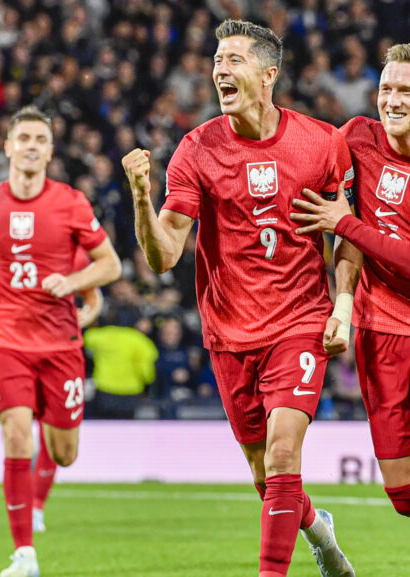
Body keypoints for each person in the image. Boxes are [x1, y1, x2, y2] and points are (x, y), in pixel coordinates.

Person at [121, 20, 354, 577]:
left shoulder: (322, 142)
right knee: (264, 473)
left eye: (234, 60)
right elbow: (164, 256)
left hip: (299, 322)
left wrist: (342, 305)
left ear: (269, 74)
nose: (219, 70)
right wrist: (140, 199)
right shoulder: (197, 149)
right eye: (217, 60)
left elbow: (346, 233)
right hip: (229, 331)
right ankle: (321, 533)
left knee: (281, 455)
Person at [290, 43, 410, 577]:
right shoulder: (356, 137)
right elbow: (339, 214)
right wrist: (344, 300)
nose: (392, 101)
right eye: (386, 90)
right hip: (382, 332)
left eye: (406, 91)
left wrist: (344, 223)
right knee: (407, 496)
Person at [0, 105, 121, 577]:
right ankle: (24, 555)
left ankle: (46, 450)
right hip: (3, 338)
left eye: (40, 139)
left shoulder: (71, 203)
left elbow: (111, 266)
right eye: (23, 138)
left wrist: (75, 281)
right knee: (15, 434)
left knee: (64, 451)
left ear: (50, 150)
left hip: (60, 342)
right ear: (7, 146)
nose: (31, 146)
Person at [0, 247, 103, 534]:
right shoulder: (10, 249)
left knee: (58, 446)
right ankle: (27, 527)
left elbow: (93, 297)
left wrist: (83, 317)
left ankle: (37, 506)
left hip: (59, 353)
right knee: (18, 430)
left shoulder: (74, 255)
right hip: (14, 351)